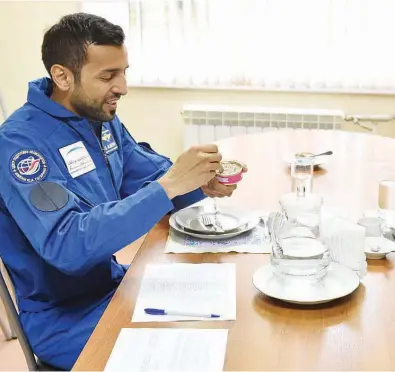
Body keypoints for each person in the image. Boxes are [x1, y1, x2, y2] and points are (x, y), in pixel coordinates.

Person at [0, 13, 242, 369]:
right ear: (62, 76)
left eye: (124, 71)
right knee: (197, 355)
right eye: (108, 76)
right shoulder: (21, 147)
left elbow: (153, 173)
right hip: (64, 319)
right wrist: (171, 184)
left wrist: (198, 182)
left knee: (227, 318)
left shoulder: (99, 120)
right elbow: (68, 244)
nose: (123, 86)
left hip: (111, 286)